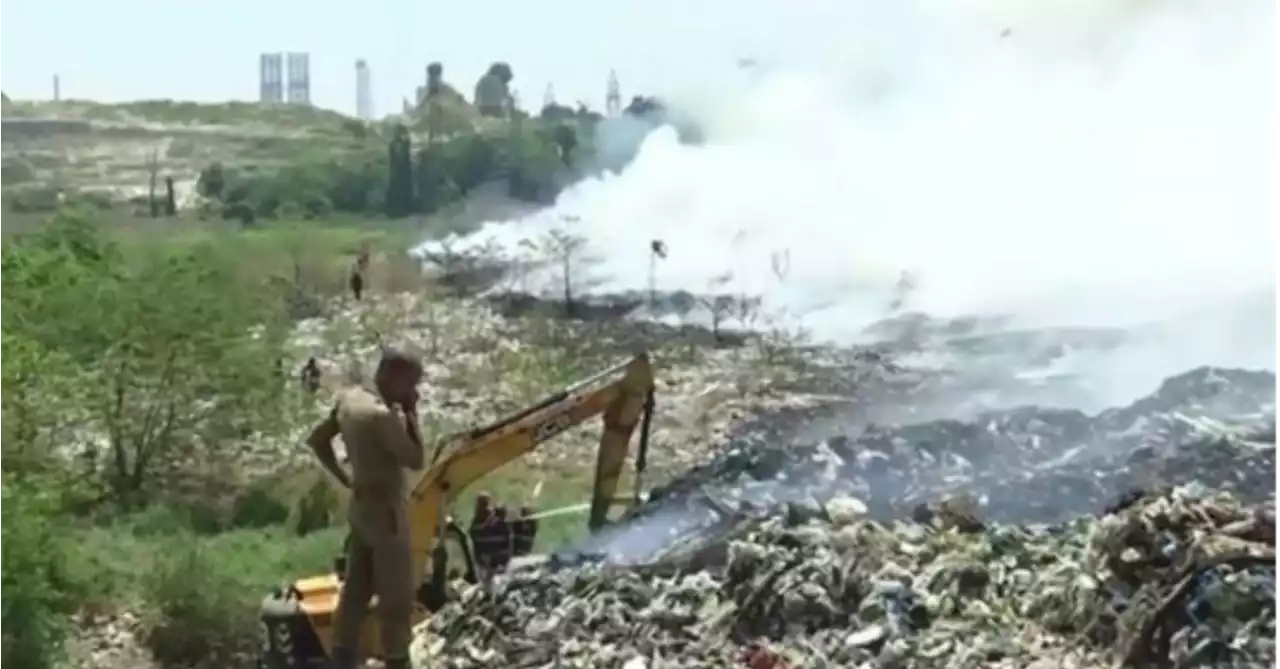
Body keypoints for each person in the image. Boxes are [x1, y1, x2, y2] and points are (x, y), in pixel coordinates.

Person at [304, 346, 425, 669]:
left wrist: (346, 480)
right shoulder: (381, 416)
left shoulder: (349, 400)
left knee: (355, 592)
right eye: (410, 384)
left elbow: (318, 441)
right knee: (396, 599)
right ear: (394, 377)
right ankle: (397, 661)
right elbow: (415, 459)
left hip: (360, 510)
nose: (413, 391)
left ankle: (341, 658)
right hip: (386, 513)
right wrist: (411, 414)